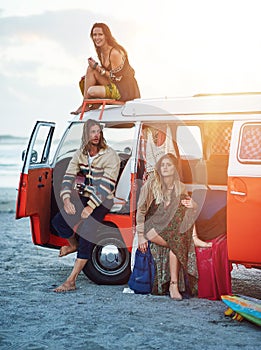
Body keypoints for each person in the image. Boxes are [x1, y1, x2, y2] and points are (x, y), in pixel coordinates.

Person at [52, 119, 120, 292]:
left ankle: (71, 281)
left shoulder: (110, 155)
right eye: (92, 132)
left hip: (104, 199)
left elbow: (107, 186)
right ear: (86, 134)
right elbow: (68, 177)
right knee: (59, 221)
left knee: (88, 230)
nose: (96, 135)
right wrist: (66, 200)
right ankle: (72, 244)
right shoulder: (80, 154)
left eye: (98, 131)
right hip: (85, 195)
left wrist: (89, 208)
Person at [136, 153, 199, 300]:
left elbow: (185, 210)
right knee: (176, 244)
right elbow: (141, 211)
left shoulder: (180, 187)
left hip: (169, 228)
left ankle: (173, 285)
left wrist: (194, 205)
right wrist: (140, 236)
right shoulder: (151, 185)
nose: (164, 167)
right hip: (151, 226)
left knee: (185, 206)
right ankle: (173, 285)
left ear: (175, 168)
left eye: (168, 165)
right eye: (162, 165)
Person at [71, 22, 140, 115]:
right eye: (94, 35)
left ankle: (89, 104)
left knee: (91, 90)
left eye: (100, 34)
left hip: (124, 89)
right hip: (114, 84)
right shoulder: (100, 51)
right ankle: (85, 104)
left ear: (106, 36)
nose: (97, 37)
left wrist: (97, 67)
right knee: (89, 71)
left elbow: (117, 78)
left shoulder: (115, 53)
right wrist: (90, 75)